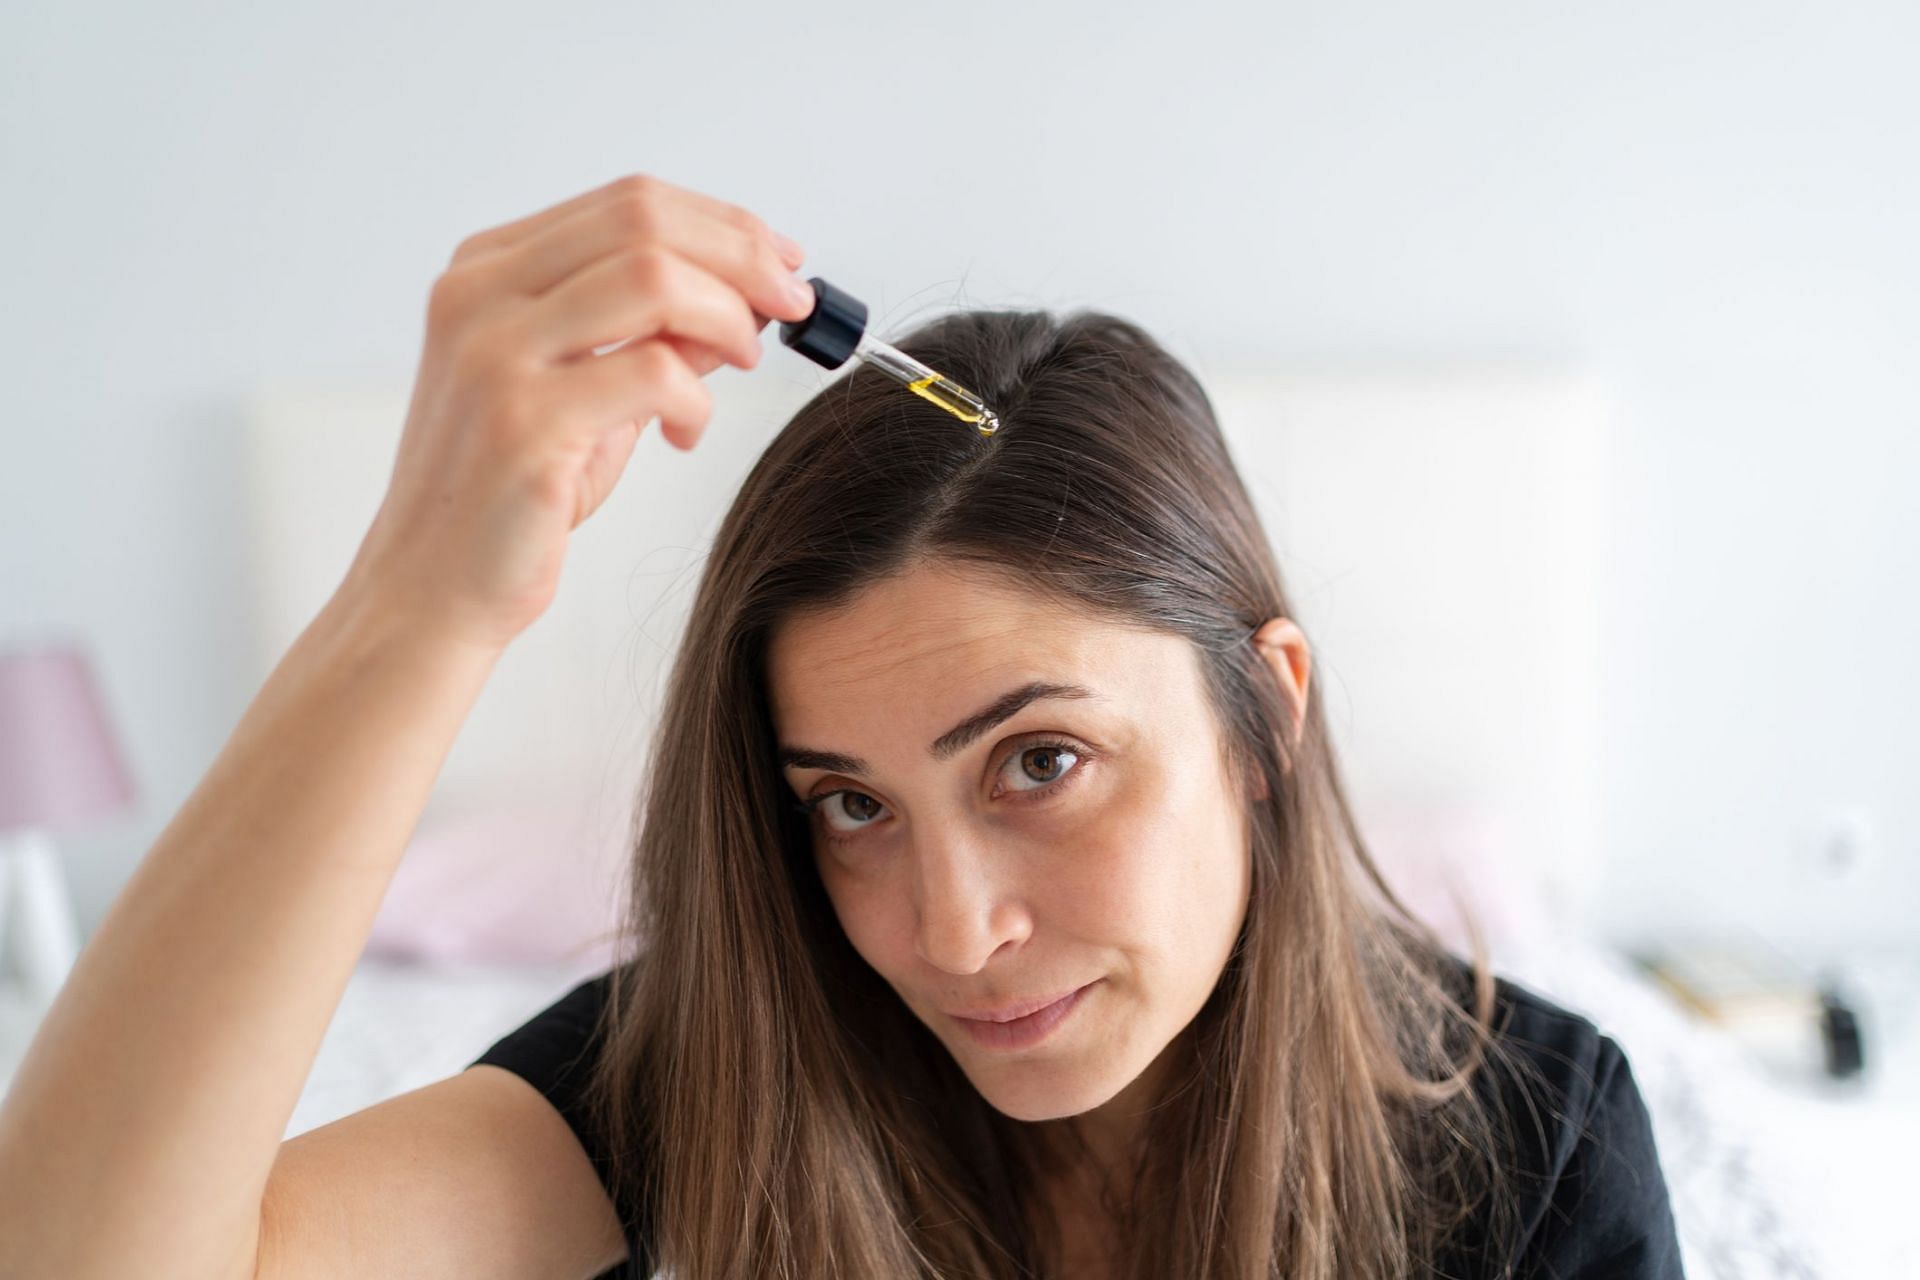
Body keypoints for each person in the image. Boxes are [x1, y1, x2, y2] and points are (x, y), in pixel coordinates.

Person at [0, 173, 1684, 1279]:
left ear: (1267, 716)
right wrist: (419, 602)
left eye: (1042, 762)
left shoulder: (1530, 1142)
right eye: (849, 806)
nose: (954, 934)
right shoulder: (718, 1064)